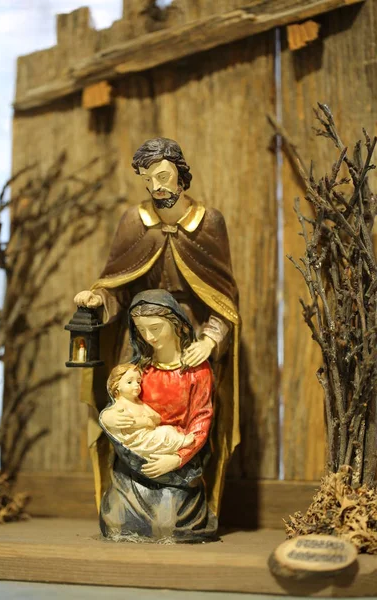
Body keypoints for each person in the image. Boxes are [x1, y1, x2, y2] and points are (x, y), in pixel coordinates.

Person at [74, 138, 240, 517]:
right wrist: (101, 298)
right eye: (148, 179)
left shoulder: (209, 222)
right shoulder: (135, 221)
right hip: (139, 331)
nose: (156, 186)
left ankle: (184, 482)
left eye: (163, 176)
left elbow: (224, 297)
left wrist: (211, 339)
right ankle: (133, 490)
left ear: (182, 175)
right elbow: (118, 281)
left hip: (190, 335)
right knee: (134, 402)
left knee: (191, 408)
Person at [99, 290, 216, 542]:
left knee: (168, 527)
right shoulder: (138, 369)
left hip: (177, 465)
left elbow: (201, 420)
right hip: (135, 463)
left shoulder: (196, 370)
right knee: (115, 521)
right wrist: (107, 419)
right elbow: (120, 403)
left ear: (177, 325)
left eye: (155, 328)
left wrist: (176, 459)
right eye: (141, 330)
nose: (149, 337)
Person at [100, 363, 195, 458]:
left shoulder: (139, 403)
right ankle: (181, 442)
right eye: (129, 382)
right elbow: (118, 419)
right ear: (116, 386)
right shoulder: (120, 405)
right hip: (138, 442)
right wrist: (145, 421)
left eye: (138, 382)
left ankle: (178, 444)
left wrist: (151, 419)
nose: (136, 385)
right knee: (165, 432)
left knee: (168, 430)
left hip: (148, 435)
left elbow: (157, 418)